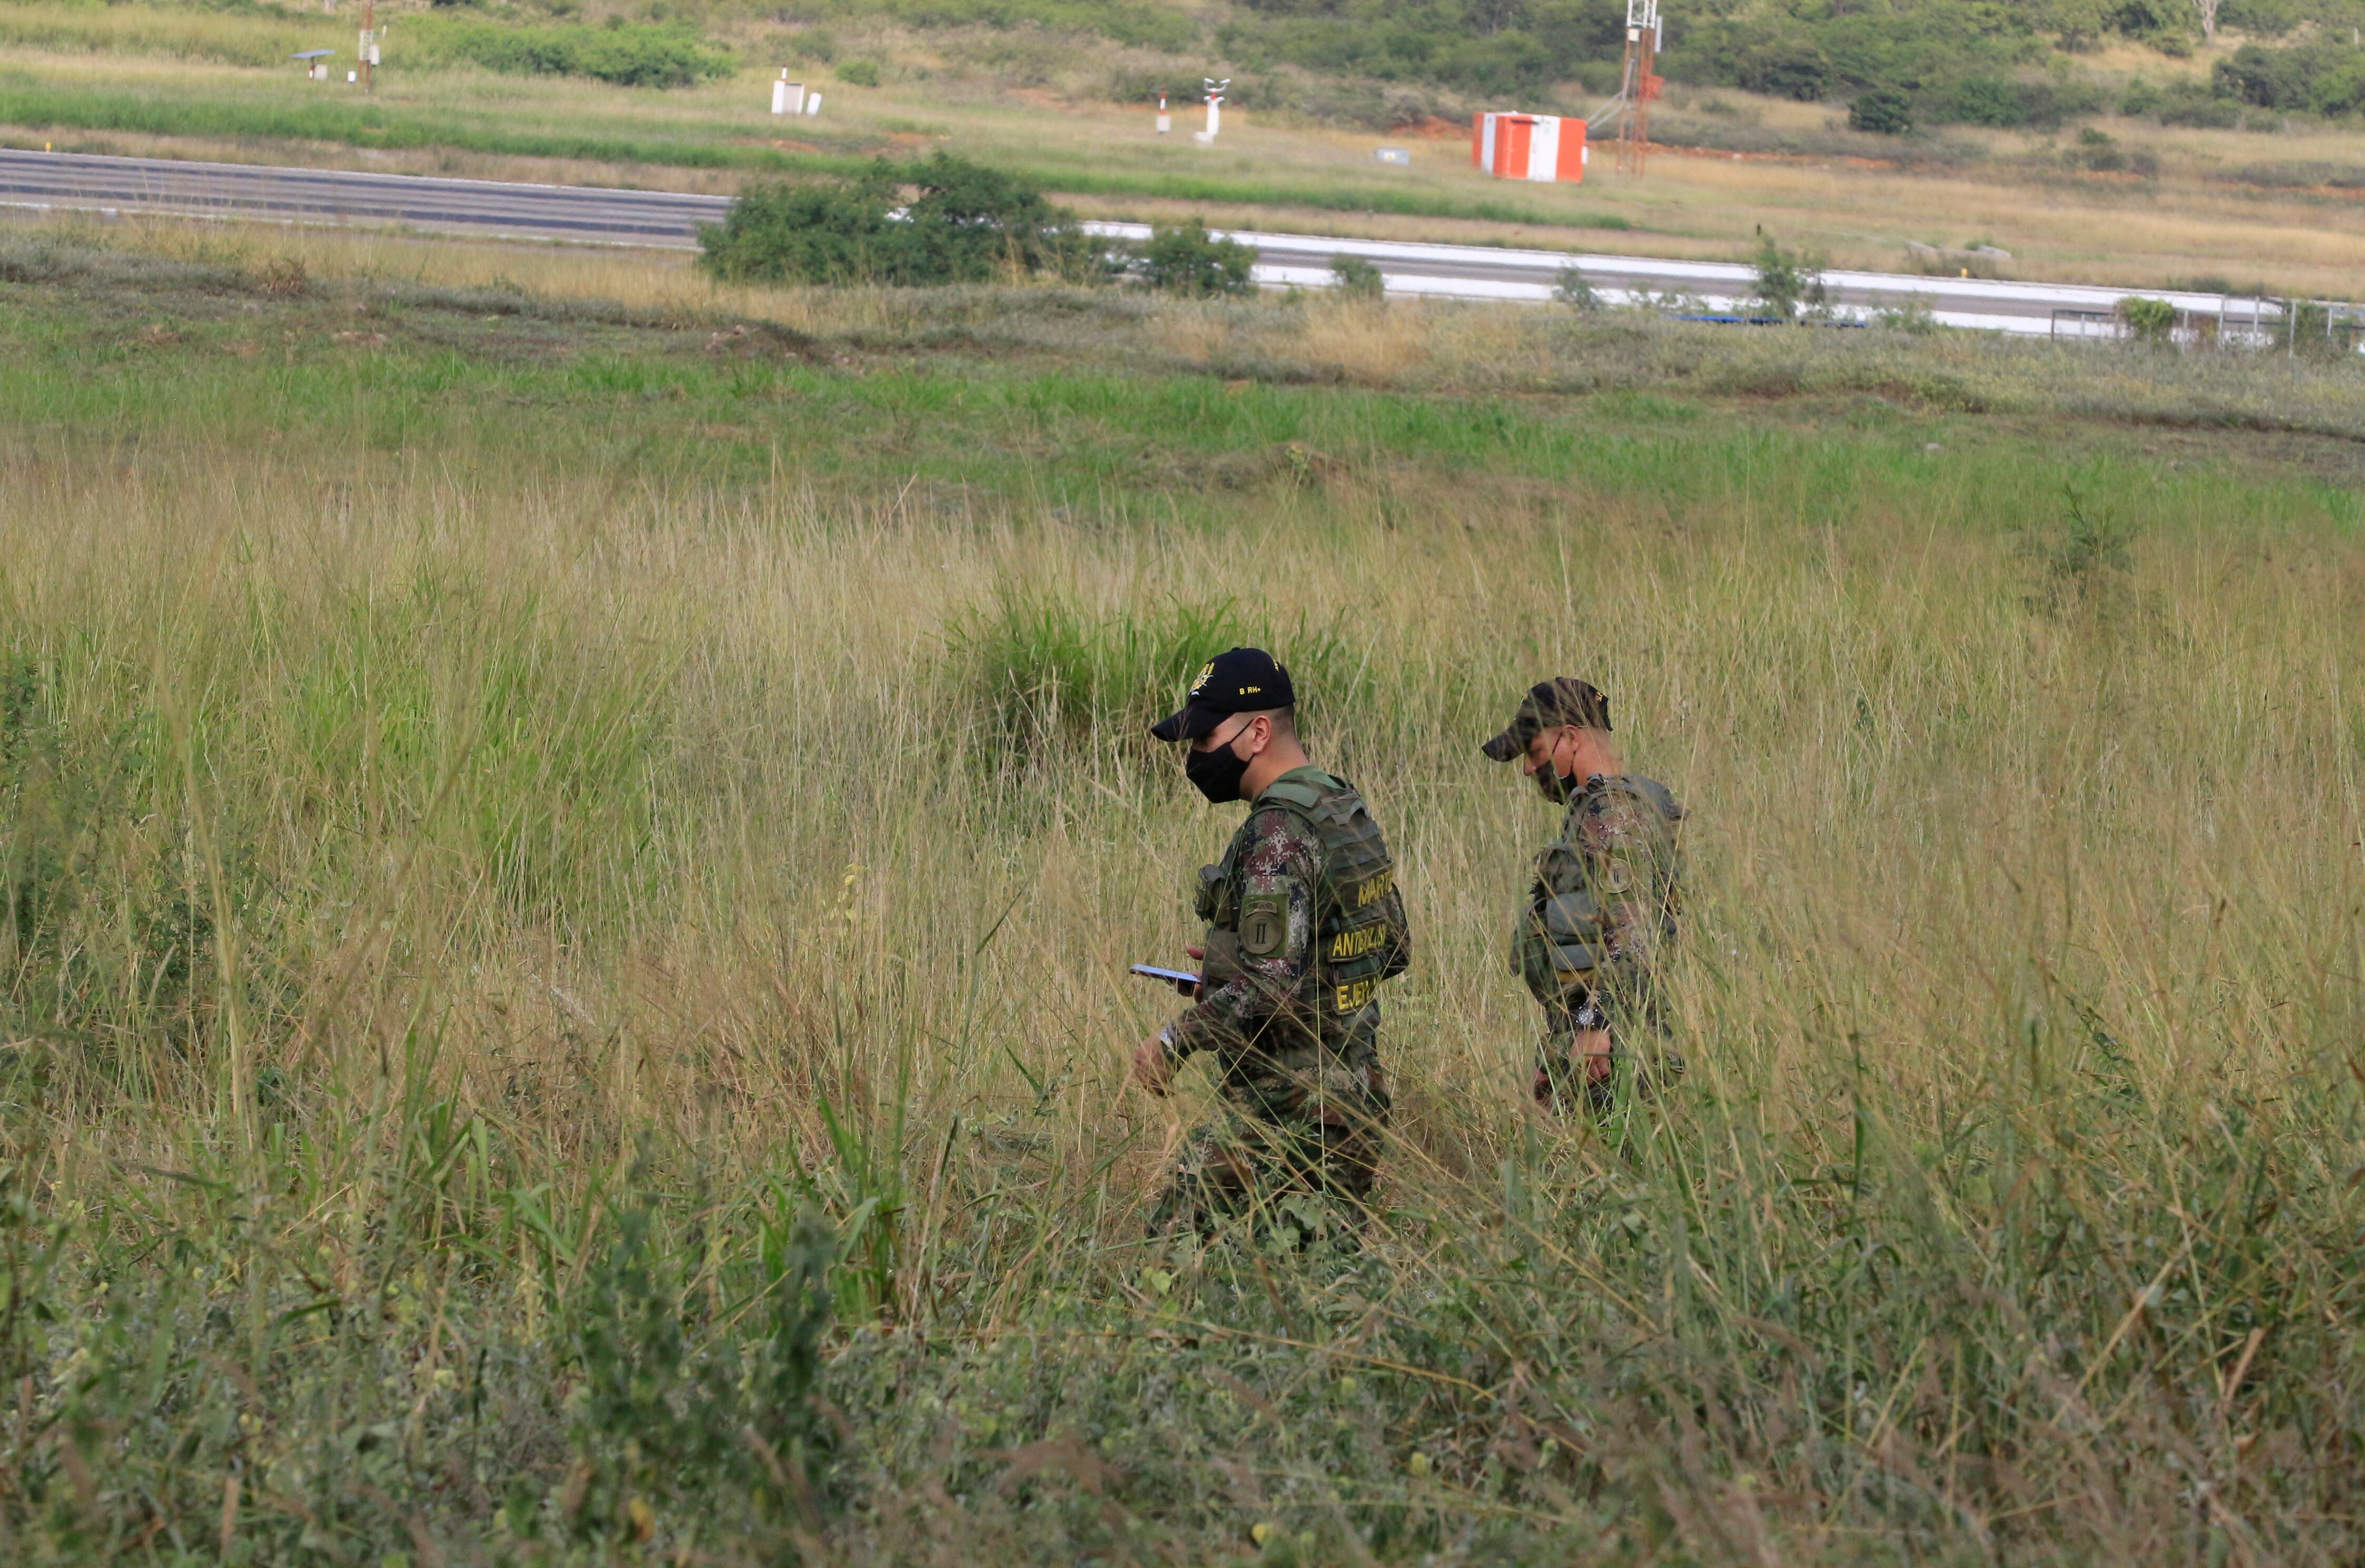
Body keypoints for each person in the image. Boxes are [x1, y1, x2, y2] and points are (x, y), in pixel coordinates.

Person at [1134, 647, 1412, 1238]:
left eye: (1205, 738)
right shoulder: (1343, 807)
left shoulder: (1278, 828)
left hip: (1283, 1105)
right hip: (1357, 1094)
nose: (1195, 757)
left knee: (1172, 1256)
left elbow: (1267, 987)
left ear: (1258, 731)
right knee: (1320, 1285)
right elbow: (1389, 947)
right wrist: (1230, 963)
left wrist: (1172, 1040)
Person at [1482, 678, 1684, 1114]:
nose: (1527, 769)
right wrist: (1553, 1057)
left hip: (1618, 1054)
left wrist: (1595, 1028)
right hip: (1601, 1043)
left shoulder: (1614, 812)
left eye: (1535, 752)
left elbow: (1632, 933)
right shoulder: (1604, 809)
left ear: (1571, 738)